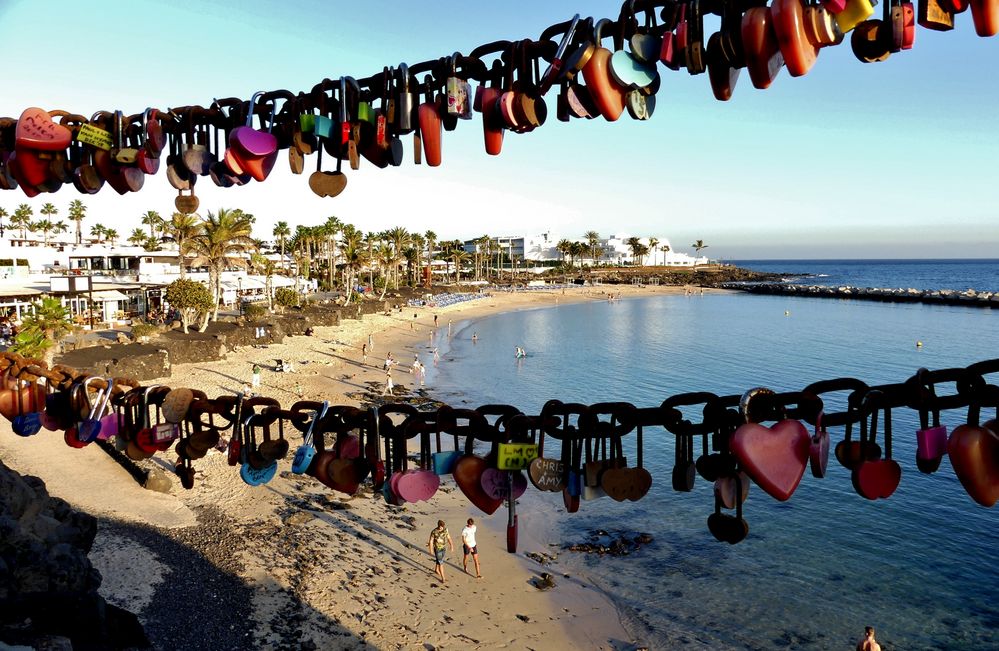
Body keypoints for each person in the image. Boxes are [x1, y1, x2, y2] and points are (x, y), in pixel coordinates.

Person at [427, 520, 455, 584]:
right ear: (438, 526)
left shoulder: (445, 530)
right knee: (441, 563)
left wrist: (451, 546)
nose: (441, 528)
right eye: (440, 527)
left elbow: (449, 538)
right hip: (437, 549)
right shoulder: (434, 531)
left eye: (442, 527)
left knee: (439, 560)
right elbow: (431, 541)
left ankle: (436, 569)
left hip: (443, 548)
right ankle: (443, 578)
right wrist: (430, 550)